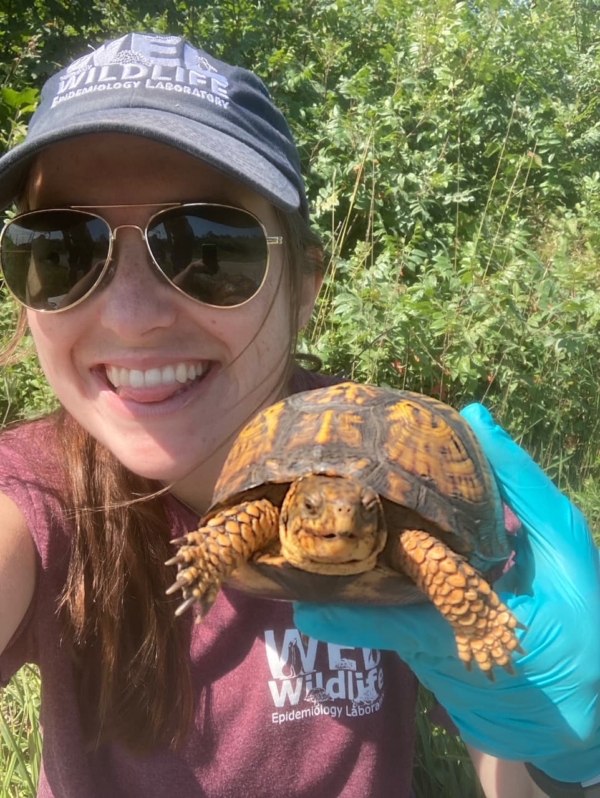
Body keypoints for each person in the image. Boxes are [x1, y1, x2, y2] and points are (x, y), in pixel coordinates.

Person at [0, 32, 597, 798]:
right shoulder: (37, 499)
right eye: (60, 250)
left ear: (306, 282)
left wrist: (573, 755)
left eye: (208, 247)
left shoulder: (410, 445)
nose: (130, 314)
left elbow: (510, 765)